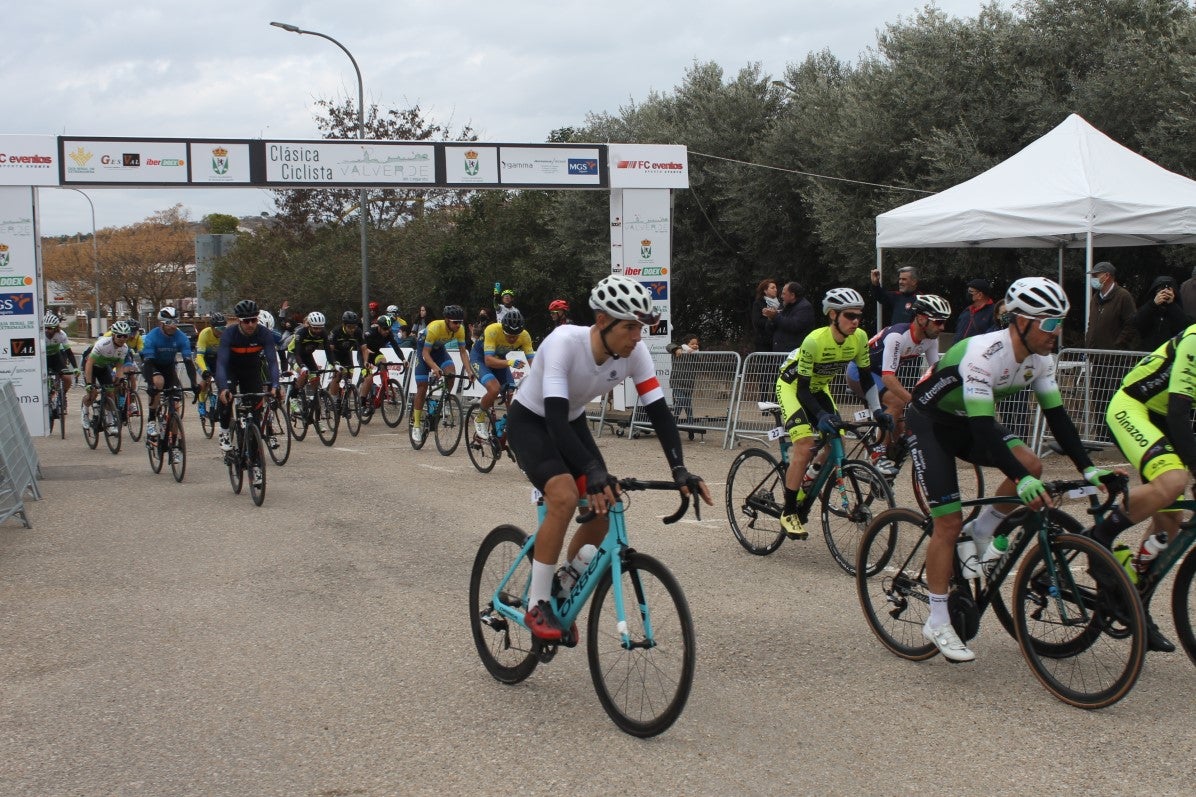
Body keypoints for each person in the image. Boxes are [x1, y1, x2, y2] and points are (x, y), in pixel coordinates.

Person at [905, 277, 1116, 662]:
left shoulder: (1041, 360)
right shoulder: (984, 354)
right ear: (1020, 321)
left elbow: (1058, 418)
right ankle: (937, 619)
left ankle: (982, 530)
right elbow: (984, 431)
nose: (1056, 332)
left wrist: (1088, 470)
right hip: (931, 423)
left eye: (1060, 322)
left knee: (1032, 461)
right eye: (1049, 323)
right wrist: (1022, 481)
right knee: (948, 523)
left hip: (967, 419)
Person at [506, 275, 712, 640]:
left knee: (606, 500)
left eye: (641, 327)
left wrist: (679, 469)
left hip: (571, 420)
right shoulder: (563, 343)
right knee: (565, 495)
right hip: (533, 421)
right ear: (602, 321)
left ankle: (564, 583)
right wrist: (590, 469)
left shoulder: (635, 353)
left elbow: (660, 413)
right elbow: (552, 418)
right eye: (630, 327)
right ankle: (538, 603)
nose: (638, 336)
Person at [1090, 318, 1196, 652]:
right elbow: (1179, 412)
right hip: (1134, 408)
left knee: (1170, 523)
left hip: (1164, 418)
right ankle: (1101, 536)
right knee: (1174, 480)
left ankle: (1136, 602)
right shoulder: (1195, 339)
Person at [776, 288, 889, 540]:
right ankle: (789, 509)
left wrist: (878, 410)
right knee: (805, 445)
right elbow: (803, 389)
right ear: (833, 315)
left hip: (818, 388)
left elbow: (866, 379)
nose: (856, 321)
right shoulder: (814, 341)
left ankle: (808, 480)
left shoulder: (859, 337)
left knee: (836, 440)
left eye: (859, 315)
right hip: (793, 387)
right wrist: (820, 415)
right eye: (850, 315)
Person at [845, 294, 951, 470]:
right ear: (921, 318)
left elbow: (935, 371)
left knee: (900, 429)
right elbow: (888, 377)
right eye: (938, 321)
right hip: (860, 372)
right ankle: (877, 453)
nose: (942, 327)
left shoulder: (930, 340)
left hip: (881, 374)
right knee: (898, 402)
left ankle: (884, 475)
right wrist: (915, 401)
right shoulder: (898, 336)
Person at [215, 300, 281, 455]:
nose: (251, 324)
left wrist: (275, 385)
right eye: (246, 321)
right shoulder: (229, 334)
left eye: (254, 320)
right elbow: (221, 364)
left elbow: (272, 361)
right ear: (239, 321)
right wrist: (223, 387)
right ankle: (224, 431)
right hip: (231, 369)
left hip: (251, 370)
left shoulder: (264, 333)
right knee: (227, 397)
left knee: (256, 417)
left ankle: (255, 462)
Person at [469, 308, 535, 438]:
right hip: (480, 359)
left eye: (515, 336)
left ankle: (509, 428)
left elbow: (533, 362)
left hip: (500, 361)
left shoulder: (525, 336)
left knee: (512, 396)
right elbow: (488, 361)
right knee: (494, 389)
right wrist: (510, 362)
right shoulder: (492, 330)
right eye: (509, 335)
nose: (512, 339)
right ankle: (480, 418)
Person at [410, 304, 468, 445]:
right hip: (424, 350)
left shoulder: (460, 330)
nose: (458, 325)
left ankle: (443, 401)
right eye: (455, 322)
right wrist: (435, 368)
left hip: (439, 350)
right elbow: (425, 354)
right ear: (447, 320)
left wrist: (469, 370)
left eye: (460, 322)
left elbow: (462, 352)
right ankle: (416, 424)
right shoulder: (435, 327)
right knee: (422, 386)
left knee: (451, 374)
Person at [140, 306, 199, 439]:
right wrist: (150, 384)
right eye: (168, 323)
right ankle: (151, 420)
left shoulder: (181, 337)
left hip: (168, 367)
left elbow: (188, 362)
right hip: (152, 365)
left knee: (176, 404)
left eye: (175, 322)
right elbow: (148, 362)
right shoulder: (152, 337)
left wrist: (194, 383)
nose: (173, 326)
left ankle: (175, 443)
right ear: (161, 323)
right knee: (158, 382)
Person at [81, 320, 133, 435]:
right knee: (93, 393)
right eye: (119, 336)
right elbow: (89, 363)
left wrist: (119, 379)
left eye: (125, 336)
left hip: (103, 368)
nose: (122, 338)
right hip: (90, 366)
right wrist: (89, 383)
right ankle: (85, 412)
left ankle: (110, 423)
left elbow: (119, 366)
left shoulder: (124, 348)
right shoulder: (102, 344)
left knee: (111, 393)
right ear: (113, 335)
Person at [1131, 276, 1189, 351]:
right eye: (1161, 289)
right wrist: (1153, 304)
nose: (1165, 292)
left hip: (1169, 354)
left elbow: (1184, 328)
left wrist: (1171, 305)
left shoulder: (1178, 308)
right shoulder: (1149, 305)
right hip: (1147, 353)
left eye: (1168, 289)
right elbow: (1137, 323)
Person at [326, 311, 369, 409]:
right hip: (335, 354)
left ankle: (345, 399)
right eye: (349, 327)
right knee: (337, 375)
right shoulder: (336, 331)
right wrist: (334, 363)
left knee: (350, 377)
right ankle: (334, 399)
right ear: (344, 325)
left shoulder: (357, 331)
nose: (352, 329)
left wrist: (366, 361)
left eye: (354, 326)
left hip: (346, 354)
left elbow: (364, 349)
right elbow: (330, 349)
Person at [667, 332, 700, 435]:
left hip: (689, 384)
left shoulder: (696, 354)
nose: (695, 345)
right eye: (692, 344)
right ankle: (674, 423)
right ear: (686, 344)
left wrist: (694, 353)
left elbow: (699, 365)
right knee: (682, 400)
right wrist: (676, 349)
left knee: (687, 406)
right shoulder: (679, 349)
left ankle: (690, 427)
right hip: (677, 382)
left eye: (696, 344)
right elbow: (669, 346)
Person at [195, 312, 226, 417]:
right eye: (218, 328)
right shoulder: (205, 334)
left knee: (222, 380)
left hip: (216, 360)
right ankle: (201, 401)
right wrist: (205, 371)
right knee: (207, 379)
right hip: (203, 359)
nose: (221, 331)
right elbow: (199, 356)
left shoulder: (225, 335)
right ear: (212, 327)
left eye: (223, 328)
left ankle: (217, 402)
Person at [771, 281, 816, 353]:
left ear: (792, 295)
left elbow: (794, 325)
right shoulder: (785, 305)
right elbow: (772, 327)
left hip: (794, 354)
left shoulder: (805, 307)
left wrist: (775, 316)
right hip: (780, 353)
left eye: (784, 294)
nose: (781, 296)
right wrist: (770, 318)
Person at [42, 313, 78, 400]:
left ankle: (62, 396)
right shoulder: (40, 335)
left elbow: (69, 352)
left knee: (67, 378)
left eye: (50, 328)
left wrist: (75, 367)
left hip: (56, 357)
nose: (47, 330)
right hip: (43, 358)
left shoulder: (61, 335)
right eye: (45, 327)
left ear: (56, 328)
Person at [750, 279, 779, 353]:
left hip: (777, 341)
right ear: (765, 291)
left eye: (776, 288)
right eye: (772, 288)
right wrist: (771, 319)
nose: (775, 290)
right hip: (763, 342)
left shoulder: (780, 303)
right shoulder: (758, 303)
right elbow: (757, 321)